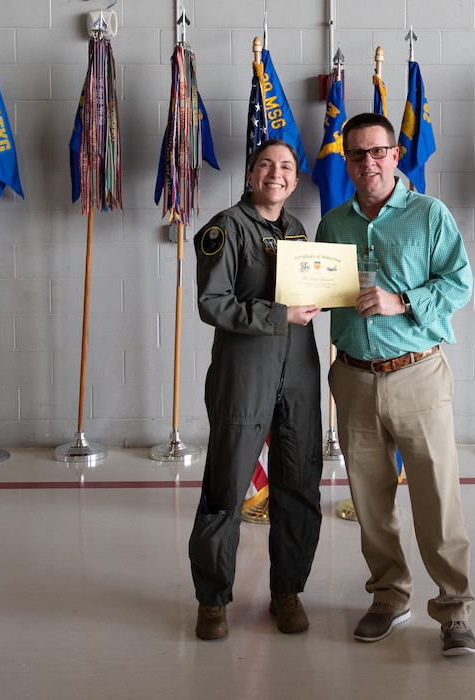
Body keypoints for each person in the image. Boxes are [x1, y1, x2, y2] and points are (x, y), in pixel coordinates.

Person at [316, 113, 475, 656]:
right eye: (357, 155)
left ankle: (453, 610)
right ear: (347, 161)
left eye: (377, 152)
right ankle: (389, 596)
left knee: (437, 497)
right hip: (355, 379)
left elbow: (460, 283)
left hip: (417, 374)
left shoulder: (429, 215)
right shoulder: (333, 224)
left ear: (395, 155)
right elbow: (322, 292)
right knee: (369, 500)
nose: (368, 163)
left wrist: (401, 300)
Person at [188, 139, 323, 640]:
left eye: (286, 167)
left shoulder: (297, 231)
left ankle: (287, 591)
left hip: (300, 375)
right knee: (225, 488)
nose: (277, 174)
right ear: (250, 173)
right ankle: (212, 599)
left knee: (300, 487)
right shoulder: (225, 228)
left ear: (294, 178)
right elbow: (212, 303)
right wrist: (277, 315)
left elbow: (307, 294)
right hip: (244, 374)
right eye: (266, 164)